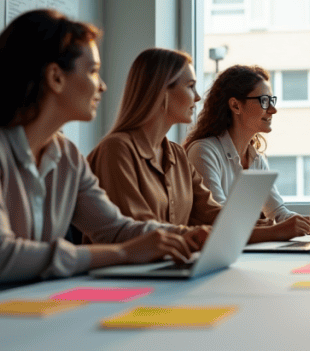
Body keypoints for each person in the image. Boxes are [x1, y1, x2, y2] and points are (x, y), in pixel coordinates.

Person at [0, 10, 200, 306]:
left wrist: (192, 237)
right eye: (92, 72)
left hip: (10, 315)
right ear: (55, 77)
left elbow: (116, 228)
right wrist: (121, 253)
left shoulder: (66, 156)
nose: (102, 86)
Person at [86, 49, 224, 230]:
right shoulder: (116, 150)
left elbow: (214, 215)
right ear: (162, 90)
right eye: (190, 86)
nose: (197, 97)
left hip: (174, 258)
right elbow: (140, 228)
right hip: (131, 259)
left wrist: (270, 229)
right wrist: (197, 235)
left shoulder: (178, 155)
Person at [184, 65, 310, 243]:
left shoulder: (256, 158)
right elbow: (221, 219)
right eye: (264, 100)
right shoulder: (203, 152)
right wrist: (273, 229)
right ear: (235, 105)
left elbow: (278, 213)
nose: (273, 109)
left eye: (272, 100)